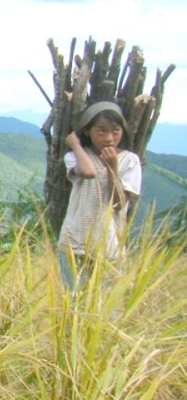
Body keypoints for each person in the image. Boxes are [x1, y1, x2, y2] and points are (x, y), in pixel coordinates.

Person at [58, 100, 141, 291]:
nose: (109, 138)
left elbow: (119, 204)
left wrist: (112, 168)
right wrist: (76, 146)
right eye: (101, 131)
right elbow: (88, 172)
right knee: (72, 304)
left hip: (109, 245)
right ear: (87, 131)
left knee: (107, 308)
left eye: (115, 131)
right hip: (74, 242)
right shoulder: (76, 156)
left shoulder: (130, 161)